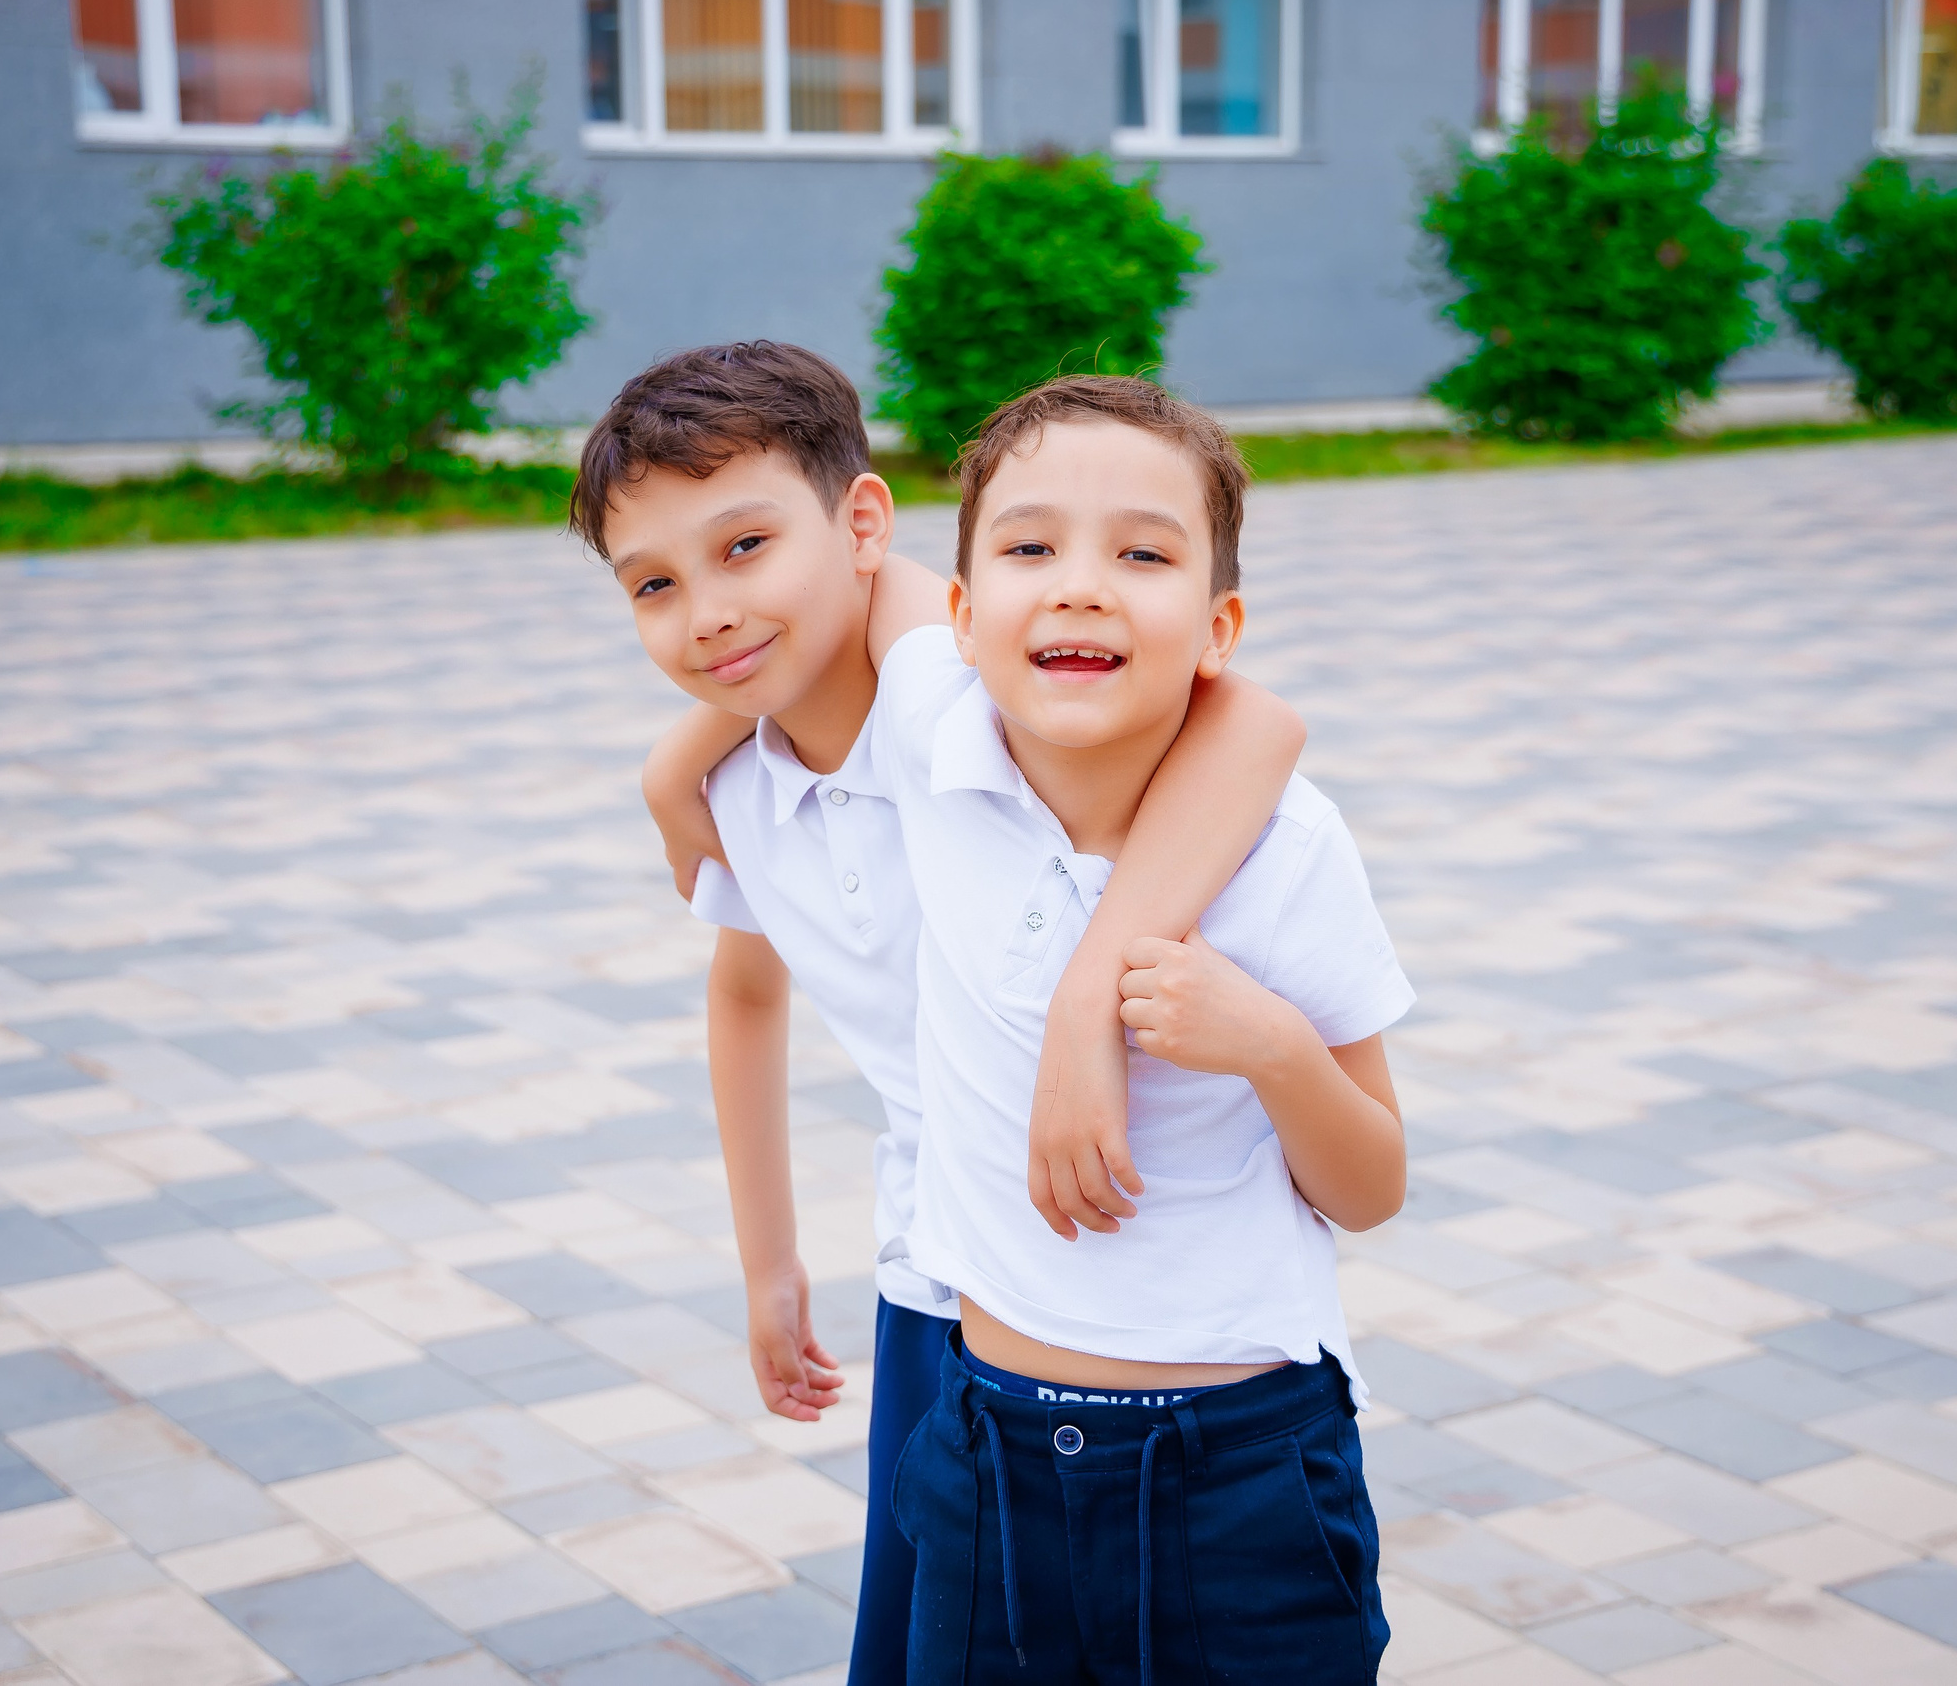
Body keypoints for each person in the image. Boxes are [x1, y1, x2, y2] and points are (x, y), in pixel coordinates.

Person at [569, 342, 1305, 1686]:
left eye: (746, 546)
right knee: (920, 1645)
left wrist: (1093, 992)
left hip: (1129, 1296)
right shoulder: (742, 782)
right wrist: (768, 1263)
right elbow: (744, 990)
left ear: (859, 523)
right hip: (932, 1275)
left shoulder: (963, 698)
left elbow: (1252, 725)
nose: (711, 611)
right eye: (657, 586)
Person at [870, 374, 1413, 1685]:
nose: (1079, 583)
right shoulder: (927, 735)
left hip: (1236, 1473)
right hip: (985, 1447)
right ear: (959, 613)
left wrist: (1271, 1045)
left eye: (1144, 553)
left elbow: (1374, 1185)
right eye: (1029, 545)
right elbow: (782, 608)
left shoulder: (1289, 849)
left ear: (1219, 625)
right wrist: (673, 772)